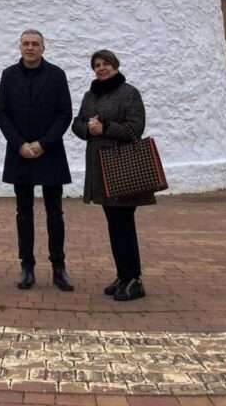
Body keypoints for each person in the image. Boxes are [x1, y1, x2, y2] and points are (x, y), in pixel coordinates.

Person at [0, 29, 75, 292]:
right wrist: (19, 144)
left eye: (35, 44)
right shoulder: (9, 75)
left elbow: (64, 114)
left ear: (43, 47)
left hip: (49, 152)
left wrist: (43, 143)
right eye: (26, 44)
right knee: (23, 214)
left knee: (55, 214)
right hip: (20, 153)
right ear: (20, 46)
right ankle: (27, 267)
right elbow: (1, 113)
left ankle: (58, 268)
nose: (30, 48)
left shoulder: (57, 75)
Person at [72, 49, 154, 301]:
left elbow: (134, 129)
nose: (101, 68)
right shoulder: (90, 95)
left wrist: (104, 127)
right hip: (99, 167)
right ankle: (123, 275)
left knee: (124, 225)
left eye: (106, 63)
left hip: (121, 167)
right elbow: (77, 123)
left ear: (115, 66)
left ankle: (134, 279)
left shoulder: (129, 93)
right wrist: (88, 128)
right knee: (114, 224)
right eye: (97, 64)